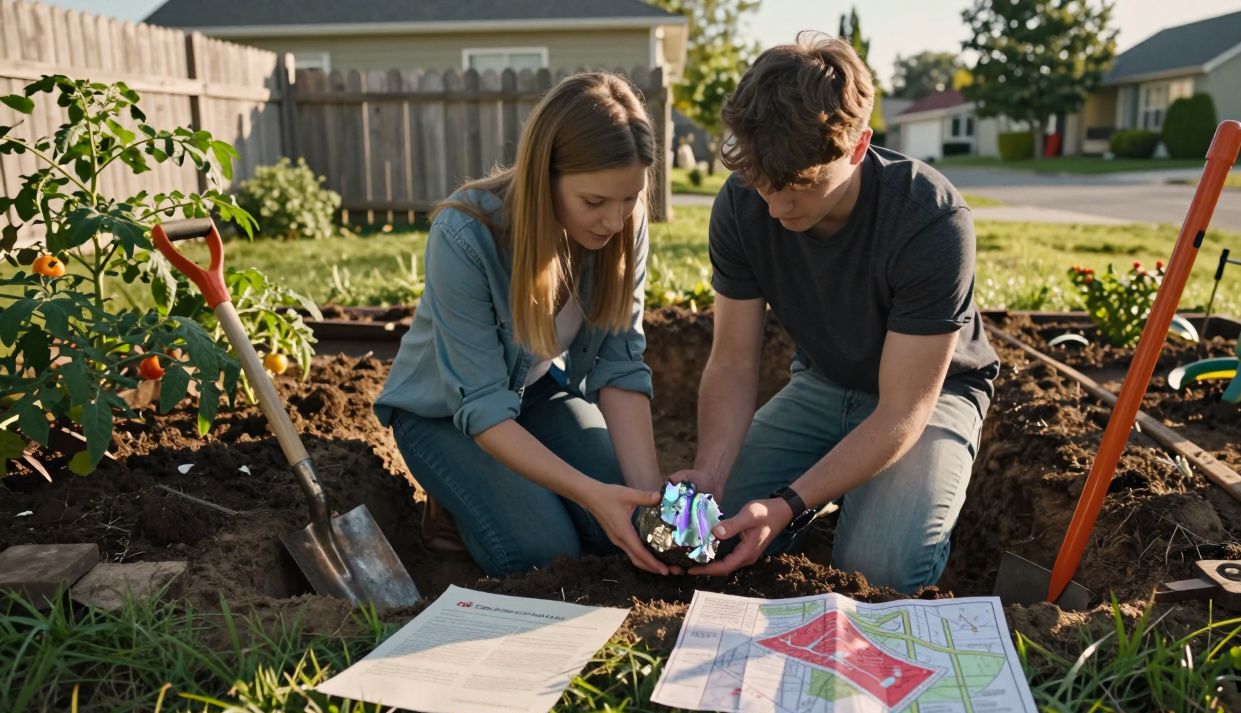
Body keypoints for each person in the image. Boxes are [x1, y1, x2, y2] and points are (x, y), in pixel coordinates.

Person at [673, 35, 1001, 592]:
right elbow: (731, 362)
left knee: (877, 569)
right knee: (710, 529)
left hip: (929, 398)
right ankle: (839, 495)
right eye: (763, 184)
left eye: (800, 186)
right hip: (823, 384)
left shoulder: (930, 220)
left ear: (858, 146)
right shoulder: (741, 204)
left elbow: (902, 409)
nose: (776, 208)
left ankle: (911, 504)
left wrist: (787, 504)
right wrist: (711, 471)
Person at [375, 72, 678, 577]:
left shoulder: (624, 226)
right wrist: (591, 494)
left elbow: (620, 367)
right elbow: (481, 405)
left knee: (623, 528)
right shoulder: (465, 234)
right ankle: (451, 508)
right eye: (594, 202)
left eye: (629, 198)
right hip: (444, 413)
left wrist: (649, 509)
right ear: (545, 177)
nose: (614, 220)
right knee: (546, 552)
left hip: (534, 394)